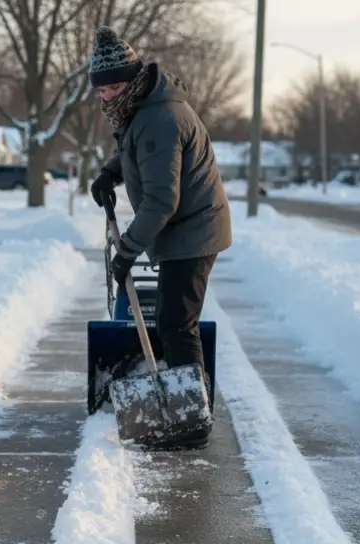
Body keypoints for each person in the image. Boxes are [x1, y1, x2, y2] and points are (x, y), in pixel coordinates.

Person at [88, 25, 232, 447]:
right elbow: (136, 150)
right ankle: (186, 403)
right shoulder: (146, 108)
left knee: (176, 322)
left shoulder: (160, 118)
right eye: (100, 90)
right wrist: (111, 172)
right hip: (185, 228)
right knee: (172, 319)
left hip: (193, 230)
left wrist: (127, 250)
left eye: (112, 88)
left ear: (131, 82)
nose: (105, 97)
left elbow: (161, 202)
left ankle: (190, 423)